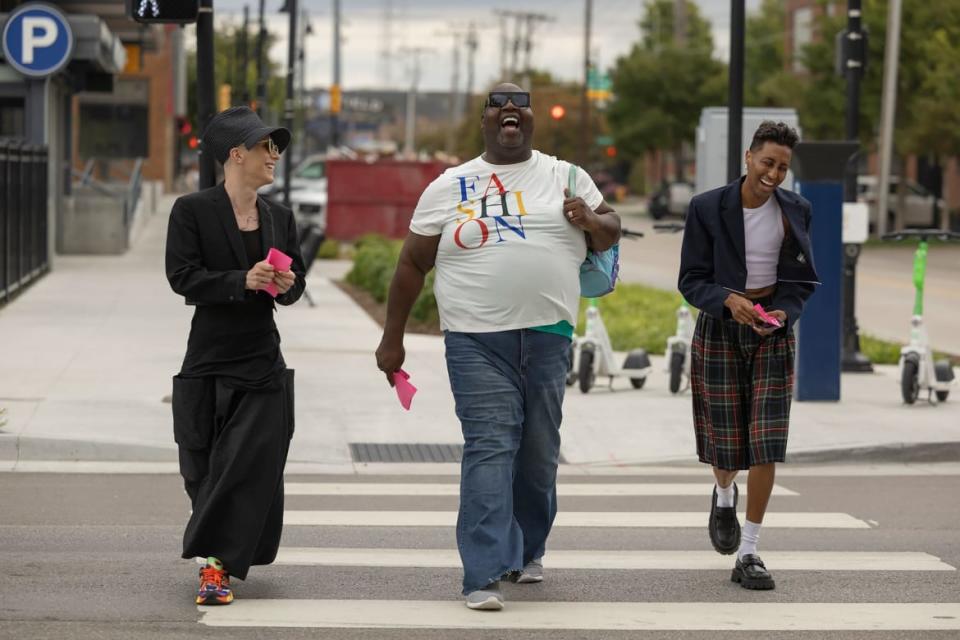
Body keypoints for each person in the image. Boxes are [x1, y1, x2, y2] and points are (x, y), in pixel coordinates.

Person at [376, 82, 620, 610]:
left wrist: (590, 219)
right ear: (483, 121)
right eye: (498, 104)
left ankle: (526, 549)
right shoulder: (449, 184)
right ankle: (482, 573)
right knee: (490, 445)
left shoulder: (566, 175)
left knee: (537, 453)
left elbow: (611, 230)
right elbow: (412, 264)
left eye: (520, 104)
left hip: (549, 336)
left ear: (531, 121)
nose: (510, 110)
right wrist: (391, 337)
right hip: (474, 339)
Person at [165, 106, 306, 605]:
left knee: (245, 465)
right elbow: (182, 277)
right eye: (266, 146)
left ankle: (215, 569)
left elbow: (294, 287)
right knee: (203, 467)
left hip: (262, 360)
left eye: (276, 147)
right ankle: (213, 549)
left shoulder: (280, 218)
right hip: (208, 355)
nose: (274, 156)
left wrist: (286, 286)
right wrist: (239, 281)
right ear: (236, 154)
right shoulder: (192, 210)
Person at [678, 121, 818, 590]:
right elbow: (691, 280)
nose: (774, 174)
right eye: (767, 163)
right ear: (748, 158)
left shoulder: (796, 210)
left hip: (772, 335)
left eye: (782, 167)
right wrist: (728, 300)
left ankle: (750, 551)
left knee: (766, 441)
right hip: (720, 329)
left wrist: (784, 310)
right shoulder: (706, 208)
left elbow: (802, 281)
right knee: (727, 445)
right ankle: (723, 494)